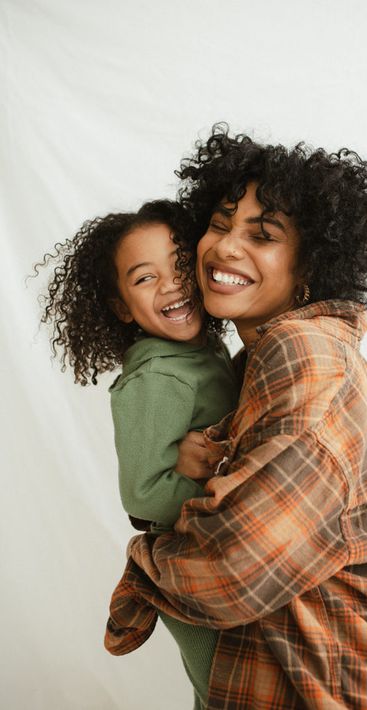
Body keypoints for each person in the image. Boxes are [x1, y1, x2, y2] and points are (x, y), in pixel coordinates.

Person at [105, 127, 367, 709]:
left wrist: (141, 566)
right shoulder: (253, 362)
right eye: (219, 223)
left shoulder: (303, 352)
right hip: (282, 678)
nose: (224, 247)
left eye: (262, 234)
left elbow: (235, 568)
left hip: (349, 689)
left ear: (309, 268)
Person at [37, 199, 239, 710]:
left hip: (213, 558)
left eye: (178, 266)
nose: (171, 285)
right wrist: (214, 485)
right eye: (145, 278)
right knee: (227, 689)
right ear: (123, 306)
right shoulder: (157, 376)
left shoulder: (202, 350)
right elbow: (143, 493)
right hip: (185, 568)